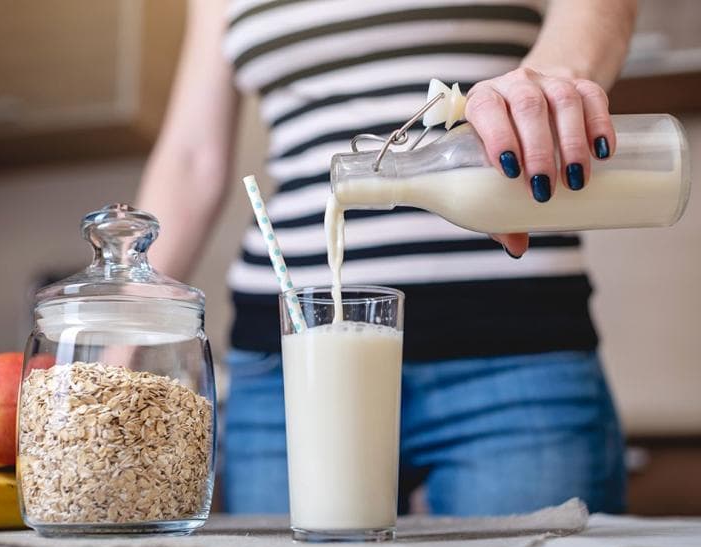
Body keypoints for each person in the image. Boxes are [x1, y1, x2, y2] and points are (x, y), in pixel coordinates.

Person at [137, 0, 637, 515]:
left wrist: (550, 81)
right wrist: (119, 342)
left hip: (514, 343)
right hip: (291, 362)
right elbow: (190, 158)